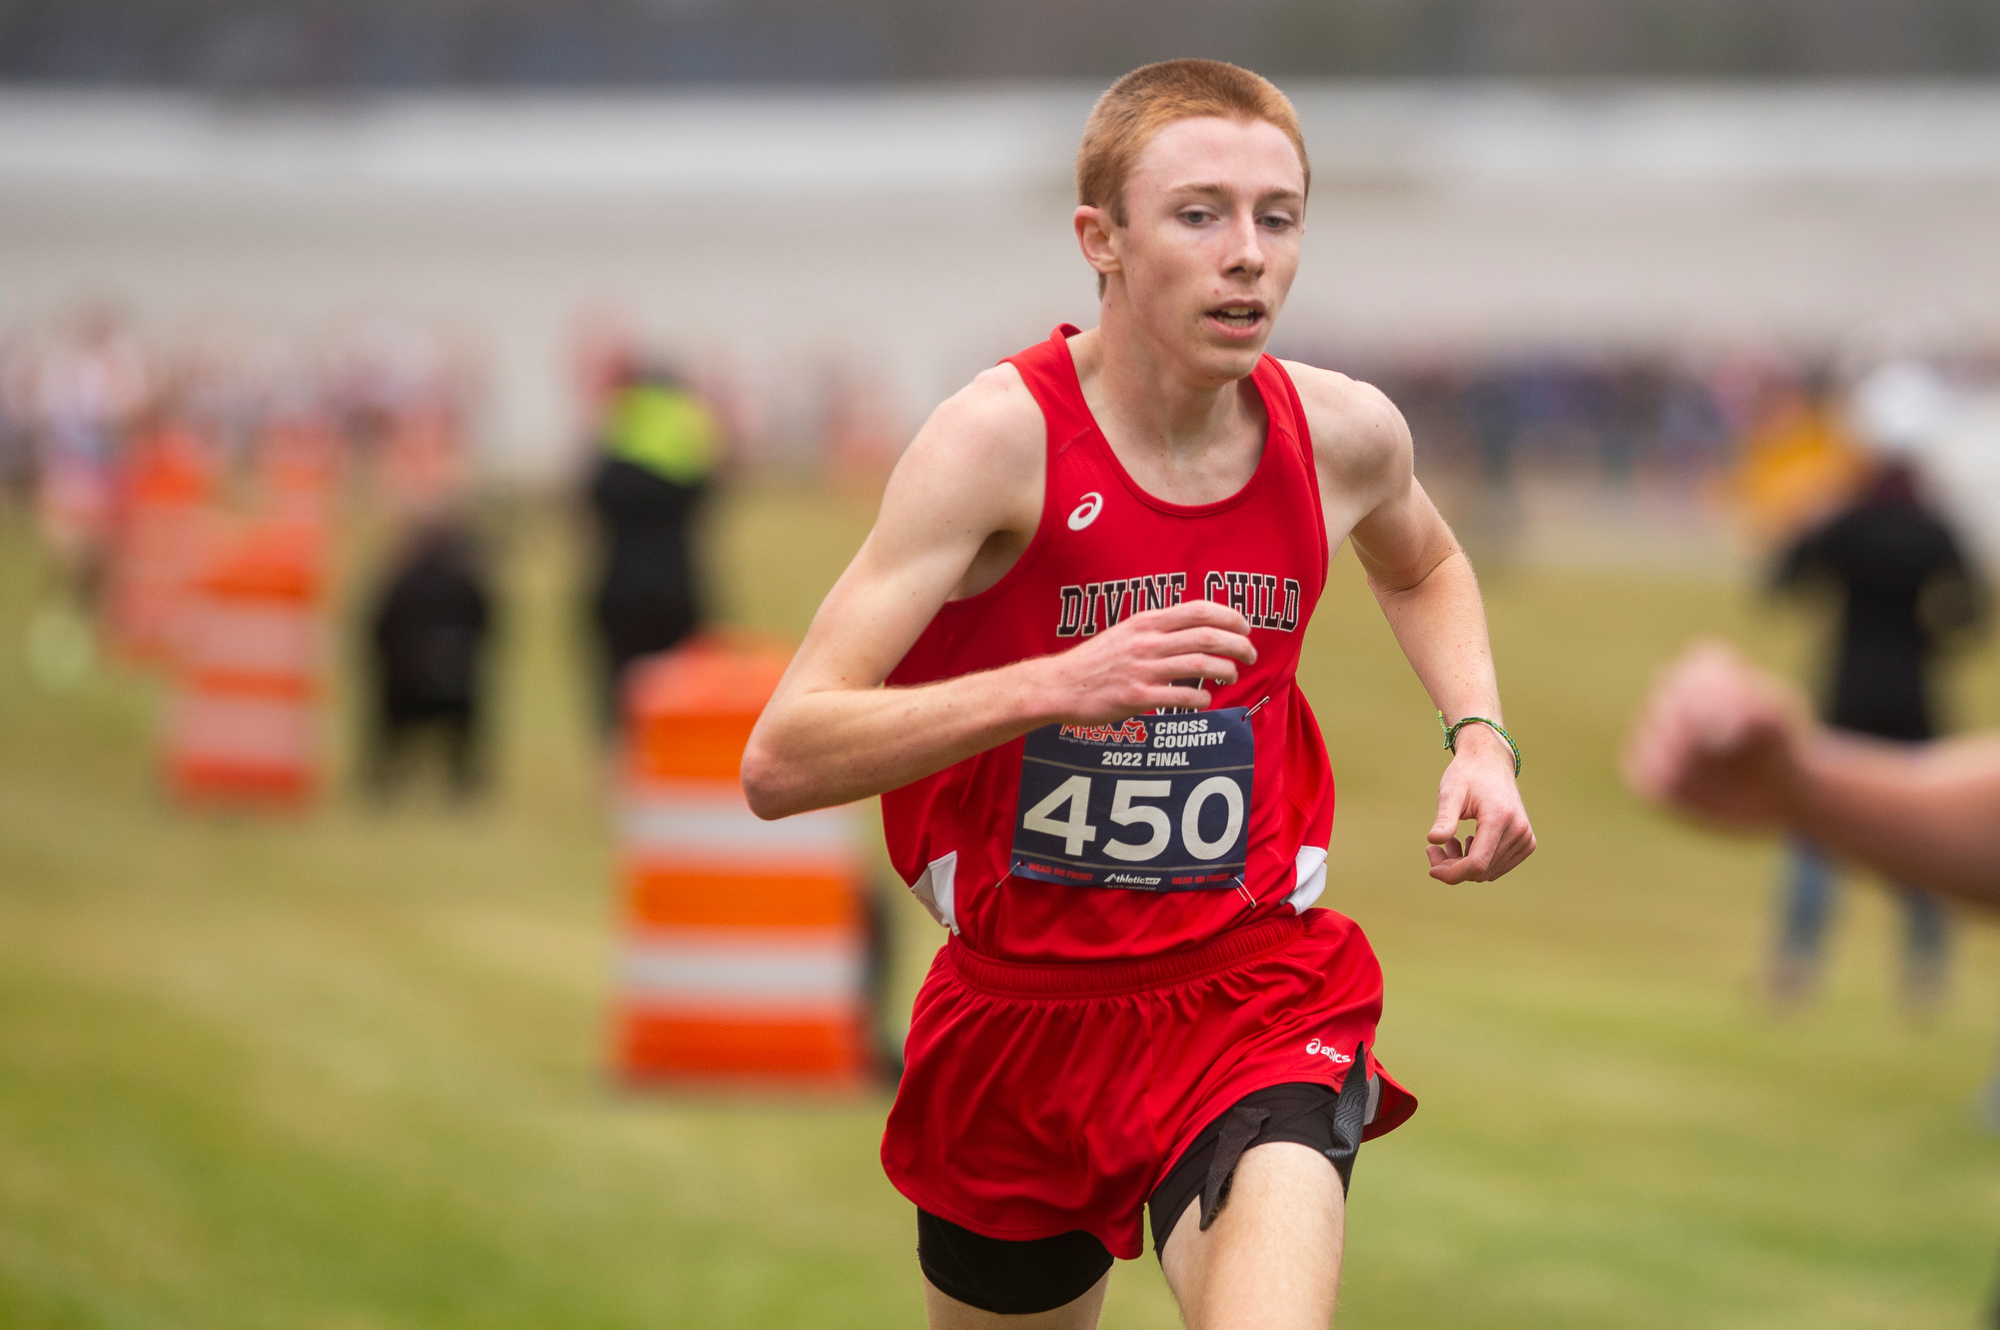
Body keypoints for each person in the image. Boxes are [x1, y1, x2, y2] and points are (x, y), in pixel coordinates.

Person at [741, 60, 1536, 1329]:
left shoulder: (1340, 434)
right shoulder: (993, 444)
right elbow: (782, 758)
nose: (1247, 258)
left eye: (1276, 218)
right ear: (1098, 240)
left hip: (1252, 996)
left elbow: (1425, 559)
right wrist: (1055, 683)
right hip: (1017, 1018)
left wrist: (1479, 737)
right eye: (1199, 214)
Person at [1764, 453, 1984, 1009]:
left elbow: (1784, 582)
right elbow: (1971, 615)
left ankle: (1795, 965)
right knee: (1924, 832)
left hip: (1848, 694)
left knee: (1818, 827)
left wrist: (1808, 521)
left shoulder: (1847, 524)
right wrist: (1930, 636)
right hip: (1912, 698)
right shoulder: (1935, 531)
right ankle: (1926, 973)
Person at [585, 364, 720, 731]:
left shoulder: (616, 445)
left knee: (619, 697)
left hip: (619, 587)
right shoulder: (688, 444)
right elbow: (711, 487)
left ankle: (623, 771)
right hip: (678, 585)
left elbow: (592, 496)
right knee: (682, 695)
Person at [364, 520, 494, 800]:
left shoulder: (400, 584)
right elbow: (487, 631)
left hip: (403, 691)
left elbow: (377, 632)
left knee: (389, 709)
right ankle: (463, 780)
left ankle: (384, 779)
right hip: (456, 691)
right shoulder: (467, 586)